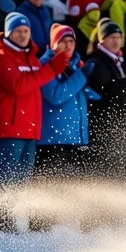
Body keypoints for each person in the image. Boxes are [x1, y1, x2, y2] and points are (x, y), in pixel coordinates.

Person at [0, 12, 72, 232]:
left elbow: (34, 85)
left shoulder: (32, 59)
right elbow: (18, 86)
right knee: (6, 182)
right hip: (8, 130)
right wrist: (51, 69)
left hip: (29, 132)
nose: (23, 35)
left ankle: (11, 225)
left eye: (26, 31)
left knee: (21, 185)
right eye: (18, 31)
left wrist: (49, 69)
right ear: (8, 32)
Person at [82, 18, 126, 171]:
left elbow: (125, 87)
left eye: (119, 37)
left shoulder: (116, 61)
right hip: (103, 129)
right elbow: (112, 91)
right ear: (102, 40)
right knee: (106, 171)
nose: (116, 41)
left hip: (118, 127)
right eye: (112, 37)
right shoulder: (97, 63)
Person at [37, 23, 95, 178]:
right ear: (54, 44)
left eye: (71, 41)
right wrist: (82, 76)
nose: (68, 45)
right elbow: (55, 96)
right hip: (54, 141)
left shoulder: (74, 65)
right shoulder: (44, 64)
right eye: (63, 41)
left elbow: (80, 93)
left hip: (75, 139)